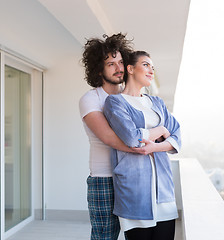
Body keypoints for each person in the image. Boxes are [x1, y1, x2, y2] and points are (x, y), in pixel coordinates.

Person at [79, 34, 168, 240]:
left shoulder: (133, 98)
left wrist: (149, 143)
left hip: (134, 178)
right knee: (104, 236)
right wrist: (147, 147)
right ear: (98, 69)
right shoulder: (91, 99)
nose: (118, 67)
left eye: (121, 62)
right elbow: (110, 138)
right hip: (105, 178)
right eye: (111, 64)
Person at [103, 51, 181, 240]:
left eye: (152, 67)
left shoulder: (157, 102)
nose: (151, 71)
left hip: (164, 191)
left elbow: (177, 135)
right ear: (130, 69)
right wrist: (161, 130)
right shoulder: (115, 102)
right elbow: (132, 138)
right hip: (134, 191)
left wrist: (153, 147)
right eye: (146, 65)